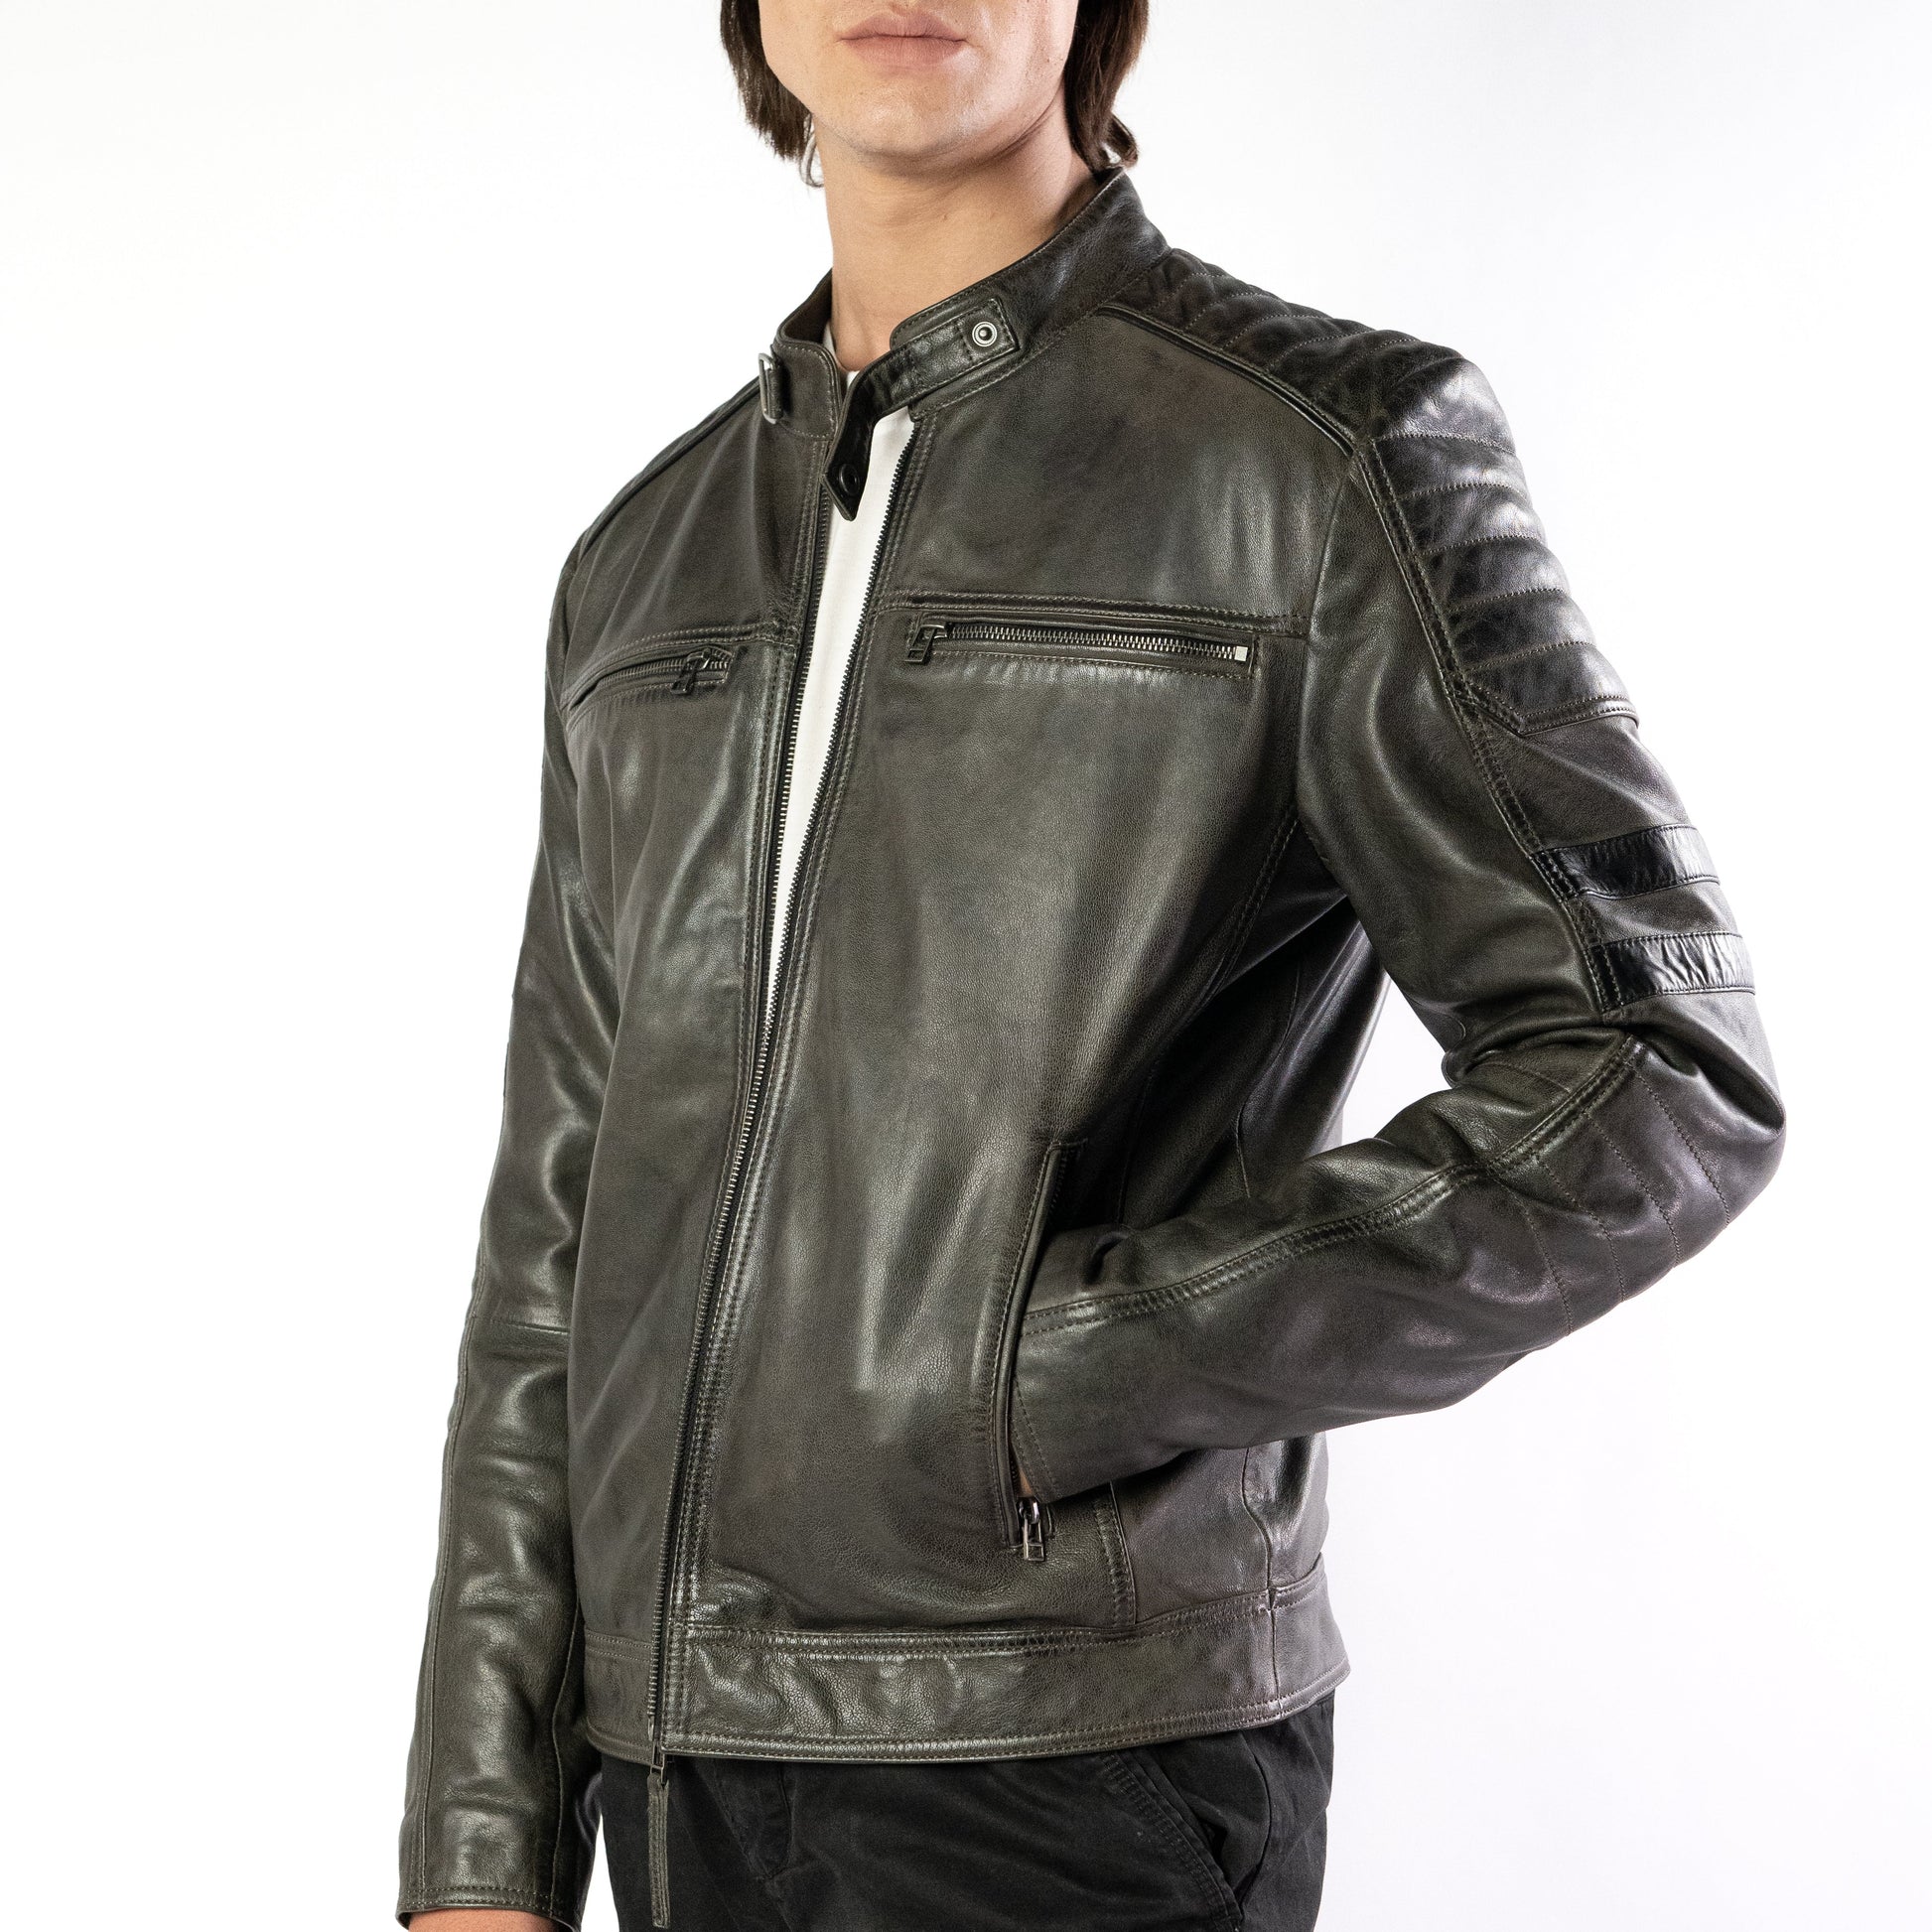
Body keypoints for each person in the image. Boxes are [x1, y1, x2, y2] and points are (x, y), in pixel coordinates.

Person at [397, 3, 1784, 1927]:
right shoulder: (642, 565)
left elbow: (1652, 1070)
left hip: (1065, 1763)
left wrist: (1050, 1374)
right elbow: (556, 1236)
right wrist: (482, 1834)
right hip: (675, 1776)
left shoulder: (1318, 454)